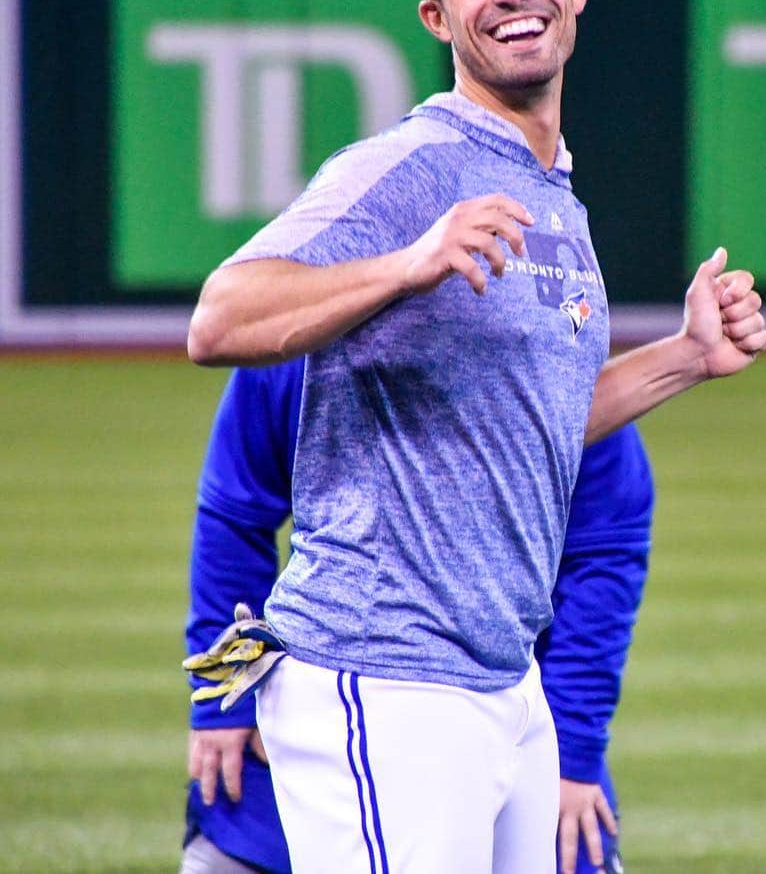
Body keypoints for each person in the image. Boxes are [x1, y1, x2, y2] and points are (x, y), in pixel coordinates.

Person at [186, 0, 766, 872]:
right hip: (384, 675)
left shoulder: (553, 195)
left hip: (504, 686)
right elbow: (218, 316)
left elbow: (537, 417)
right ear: (436, 15)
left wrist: (685, 359)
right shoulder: (413, 166)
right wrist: (406, 263)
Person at [182, 360, 653, 874]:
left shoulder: (537, 340)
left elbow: (604, 552)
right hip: (332, 681)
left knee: (568, 840)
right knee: (226, 846)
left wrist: (575, 747)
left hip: (510, 696)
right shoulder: (302, 330)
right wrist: (221, 706)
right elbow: (235, 512)